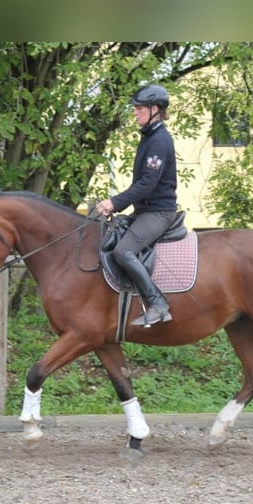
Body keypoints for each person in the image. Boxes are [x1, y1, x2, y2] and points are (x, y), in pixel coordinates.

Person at [96, 84, 178, 327]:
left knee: (124, 252)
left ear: (155, 109)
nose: (135, 112)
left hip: (159, 213)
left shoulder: (159, 140)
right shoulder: (149, 137)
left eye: (139, 108)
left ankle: (158, 304)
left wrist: (114, 202)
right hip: (145, 211)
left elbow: (147, 183)